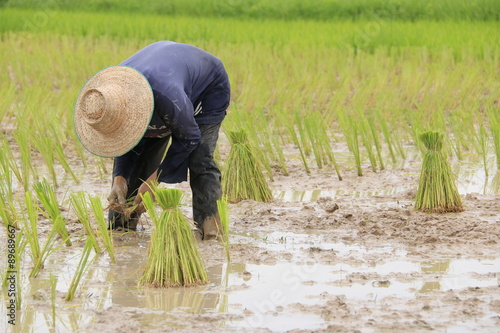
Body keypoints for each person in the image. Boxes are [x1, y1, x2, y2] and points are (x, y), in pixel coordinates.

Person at [74, 41, 230, 240]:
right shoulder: (113, 94)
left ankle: (211, 231)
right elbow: (125, 143)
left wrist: (155, 180)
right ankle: (121, 230)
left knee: (199, 157)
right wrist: (119, 177)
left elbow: (189, 138)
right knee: (139, 157)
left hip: (206, 90)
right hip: (163, 84)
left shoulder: (167, 96)